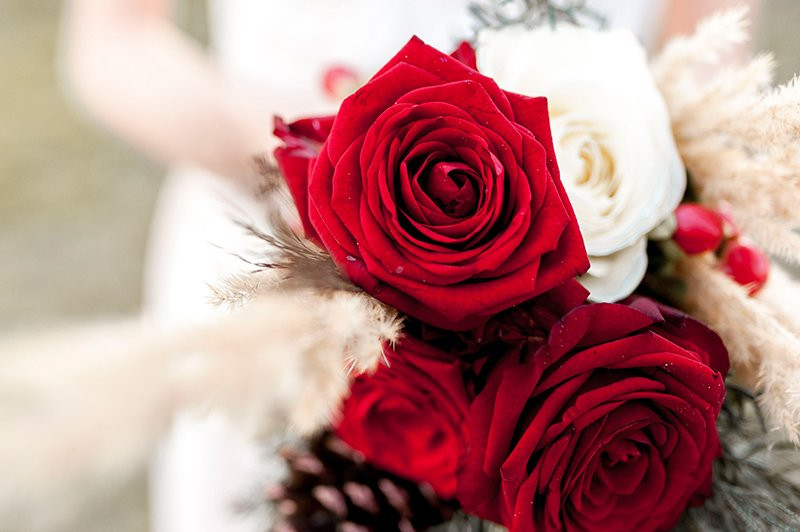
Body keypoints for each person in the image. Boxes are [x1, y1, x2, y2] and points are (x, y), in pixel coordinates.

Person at [61, 1, 756, 530]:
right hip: (271, 265)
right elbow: (115, 46)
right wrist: (329, 173)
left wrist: (651, 186)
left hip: (599, 268)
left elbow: (714, 35)